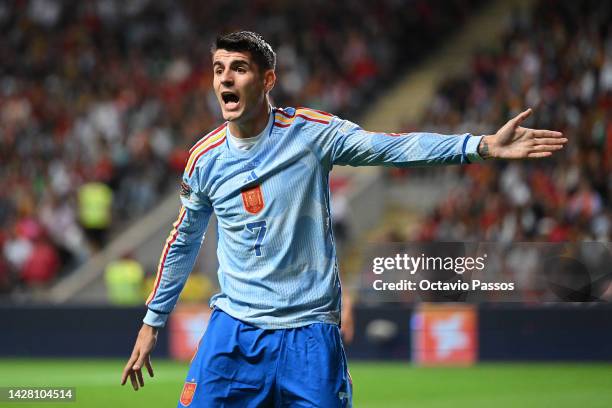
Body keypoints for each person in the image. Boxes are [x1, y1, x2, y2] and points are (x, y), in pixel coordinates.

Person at [121, 31, 566, 407]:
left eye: (238, 68)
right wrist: (152, 321)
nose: (225, 79)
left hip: (310, 336)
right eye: (219, 69)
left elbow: (390, 147)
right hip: (235, 331)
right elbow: (183, 241)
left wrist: (480, 145)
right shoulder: (205, 159)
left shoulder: (310, 134)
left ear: (267, 79)